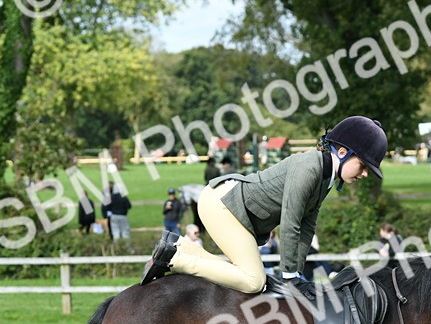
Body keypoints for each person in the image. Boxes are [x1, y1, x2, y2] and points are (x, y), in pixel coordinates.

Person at [142, 116, 386, 295]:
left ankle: (183, 247)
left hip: (233, 208)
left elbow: (307, 227)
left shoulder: (326, 177)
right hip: (223, 204)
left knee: (247, 274)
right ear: (342, 151)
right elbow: (290, 223)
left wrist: (297, 273)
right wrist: (290, 275)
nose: (364, 174)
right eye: (363, 165)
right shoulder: (309, 167)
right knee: (253, 281)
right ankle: (175, 258)